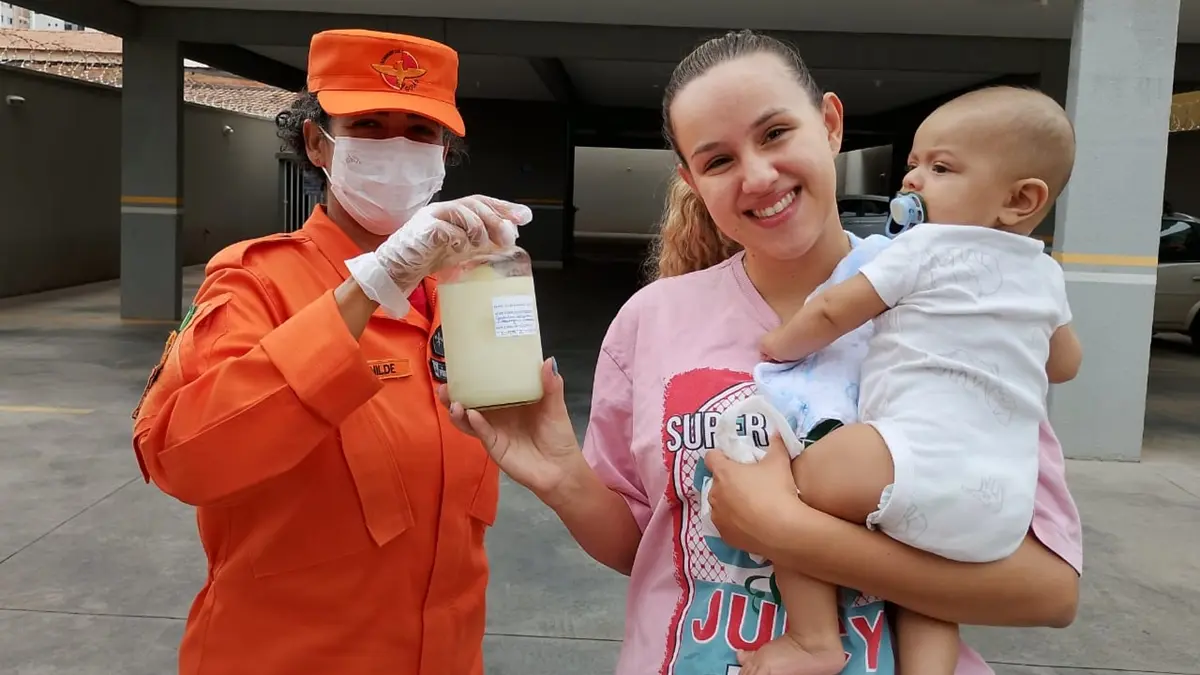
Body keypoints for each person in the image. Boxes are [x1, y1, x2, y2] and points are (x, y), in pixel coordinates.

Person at [440, 29, 1083, 675]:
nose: (757, 175)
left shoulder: (956, 301)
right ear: (692, 180)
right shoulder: (651, 319)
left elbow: (1049, 591)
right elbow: (652, 549)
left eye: (775, 133)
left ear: (830, 125)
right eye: (718, 161)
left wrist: (791, 533)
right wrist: (562, 476)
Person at [130, 28, 530, 675]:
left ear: (443, 154)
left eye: (420, 131)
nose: (397, 147)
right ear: (318, 143)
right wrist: (368, 286)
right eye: (368, 125)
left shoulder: (462, 288)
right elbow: (181, 457)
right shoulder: (255, 281)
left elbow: (511, 441)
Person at [706, 86, 1083, 675]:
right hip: (999, 504)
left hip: (910, 456)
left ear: (1020, 199)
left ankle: (813, 639)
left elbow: (833, 311)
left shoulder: (921, 247)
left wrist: (781, 344)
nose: (913, 179)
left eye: (941, 168)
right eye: (914, 163)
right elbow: (1064, 364)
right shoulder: (1044, 274)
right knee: (928, 587)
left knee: (793, 488)